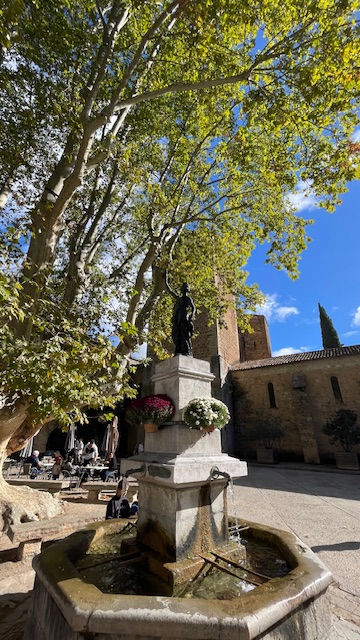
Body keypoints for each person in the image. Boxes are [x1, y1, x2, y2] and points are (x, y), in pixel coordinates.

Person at [164, 272, 196, 356]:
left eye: (185, 289)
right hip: (178, 318)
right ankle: (179, 350)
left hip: (184, 317)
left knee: (184, 334)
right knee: (177, 334)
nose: (184, 291)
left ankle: (186, 350)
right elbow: (170, 291)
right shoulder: (179, 299)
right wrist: (166, 281)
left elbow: (193, 308)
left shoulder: (188, 299)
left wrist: (192, 315)